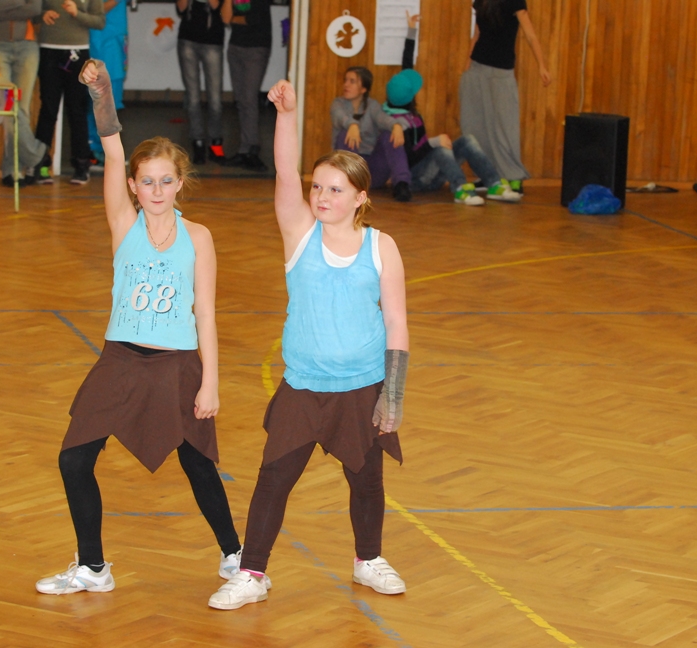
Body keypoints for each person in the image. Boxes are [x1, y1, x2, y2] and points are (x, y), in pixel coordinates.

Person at [35, 58, 243, 595]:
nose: (156, 189)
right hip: (121, 360)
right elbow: (111, 146)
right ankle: (93, 567)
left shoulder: (199, 237)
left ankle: (235, 555)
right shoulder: (123, 224)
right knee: (73, 459)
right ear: (132, 185)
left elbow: (206, 312)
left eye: (166, 181)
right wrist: (101, 89)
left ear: (180, 184)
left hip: (177, 366)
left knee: (198, 464)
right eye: (146, 181)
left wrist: (211, 382)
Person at [208, 79, 410, 610]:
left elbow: (397, 322)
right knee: (274, 478)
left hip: (362, 386)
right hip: (303, 386)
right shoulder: (300, 234)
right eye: (317, 186)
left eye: (335, 190)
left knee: (366, 481)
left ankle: (369, 560)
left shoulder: (382, 246)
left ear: (360, 197)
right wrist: (287, 114)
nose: (322, 196)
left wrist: (392, 395)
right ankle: (252, 573)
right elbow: (283, 171)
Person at [386, 13, 520, 206]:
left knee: (467, 140)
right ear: (409, 97)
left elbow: (406, 66)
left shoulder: (402, 104)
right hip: (418, 180)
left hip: (433, 172)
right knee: (440, 149)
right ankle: (460, 189)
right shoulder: (395, 123)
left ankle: (494, 184)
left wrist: (411, 30)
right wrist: (433, 143)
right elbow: (407, 158)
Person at [459, 0, 551, 195]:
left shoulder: (514, 1)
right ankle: (489, 175)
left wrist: (542, 65)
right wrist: (467, 67)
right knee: (476, 126)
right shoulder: (481, 1)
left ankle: (513, 177)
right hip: (477, 69)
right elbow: (476, 35)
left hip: (501, 73)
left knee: (505, 127)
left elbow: (530, 35)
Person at [0, 0, 50, 187]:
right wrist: (20, 5)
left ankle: (12, 169)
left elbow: (34, 8)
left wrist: (3, 7)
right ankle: (36, 154)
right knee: (7, 106)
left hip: (28, 48)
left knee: (20, 109)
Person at [32, 0, 106, 185]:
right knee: (48, 108)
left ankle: (81, 165)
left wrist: (77, 13)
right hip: (49, 50)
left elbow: (99, 21)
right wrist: (42, 15)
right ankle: (41, 164)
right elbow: (30, 11)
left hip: (78, 53)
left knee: (77, 109)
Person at [332, 67, 412, 202]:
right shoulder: (338, 104)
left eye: (352, 81)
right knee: (345, 133)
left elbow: (383, 118)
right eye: (345, 80)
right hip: (349, 171)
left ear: (363, 89)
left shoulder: (372, 105)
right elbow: (339, 117)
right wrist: (352, 125)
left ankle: (401, 184)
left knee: (389, 134)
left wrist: (396, 125)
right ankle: (349, 183)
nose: (346, 85)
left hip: (372, 170)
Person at [220, 0, 271, 172]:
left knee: (249, 99)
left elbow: (254, 19)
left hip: (256, 47)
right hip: (235, 47)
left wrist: (233, 18)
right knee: (241, 100)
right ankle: (244, 150)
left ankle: (252, 150)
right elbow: (225, 17)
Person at [177, 0, 226, 165]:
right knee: (193, 98)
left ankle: (215, 142)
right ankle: (197, 142)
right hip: (187, 40)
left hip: (213, 41)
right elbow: (181, 8)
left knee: (215, 99)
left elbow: (216, 6)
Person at [87, 0, 128, 167]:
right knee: (100, 95)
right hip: (102, 39)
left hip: (116, 37)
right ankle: (94, 148)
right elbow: (92, 10)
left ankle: (107, 151)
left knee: (113, 96)